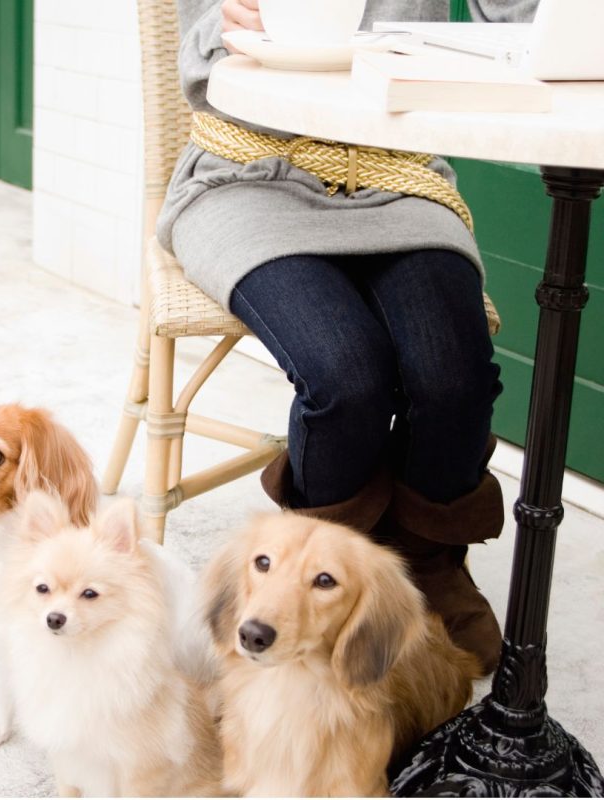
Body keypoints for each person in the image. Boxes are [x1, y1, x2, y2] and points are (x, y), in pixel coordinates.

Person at [157, 0, 531, 675]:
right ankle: (312, 573)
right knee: (346, 376)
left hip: (395, 179)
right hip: (248, 176)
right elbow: (200, 41)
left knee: (454, 377)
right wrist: (230, 21)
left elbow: (520, 20)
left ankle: (426, 564)